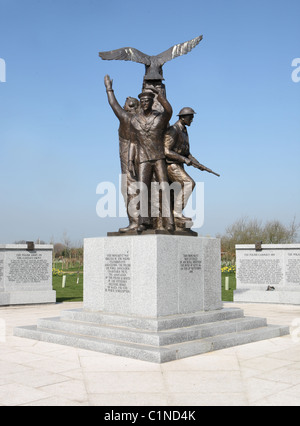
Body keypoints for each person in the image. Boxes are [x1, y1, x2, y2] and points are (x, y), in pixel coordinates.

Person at [128, 89, 174, 232]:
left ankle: (170, 221)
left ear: (152, 102)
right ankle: (144, 221)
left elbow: (169, 110)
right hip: (143, 158)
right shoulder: (134, 120)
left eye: (147, 101)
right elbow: (133, 142)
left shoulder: (160, 117)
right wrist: (130, 160)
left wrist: (159, 96)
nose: (144, 103)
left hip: (158, 157)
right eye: (142, 101)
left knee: (165, 187)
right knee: (143, 189)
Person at [104, 75, 140, 232]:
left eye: (126, 103)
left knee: (129, 189)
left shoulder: (126, 118)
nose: (123, 105)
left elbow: (113, 103)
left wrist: (108, 88)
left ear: (130, 106)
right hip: (140, 158)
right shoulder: (141, 120)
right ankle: (142, 221)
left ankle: (135, 222)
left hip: (128, 159)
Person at [164, 107, 197, 228]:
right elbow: (166, 151)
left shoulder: (184, 131)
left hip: (179, 165)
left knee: (178, 191)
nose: (192, 120)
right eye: (190, 117)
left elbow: (187, 152)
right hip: (171, 165)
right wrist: (184, 159)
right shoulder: (174, 129)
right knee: (189, 183)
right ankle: (177, 213)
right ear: (183, 117)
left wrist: (196, 163)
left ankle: (176, 214)